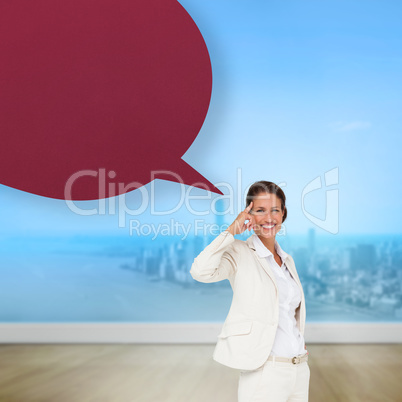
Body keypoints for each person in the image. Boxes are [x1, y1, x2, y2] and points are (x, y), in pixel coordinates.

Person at [190, 181, 310, 401]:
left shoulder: (287, 260)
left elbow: (287, 312)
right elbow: (200, 271)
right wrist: (231, 231)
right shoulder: (239, 252)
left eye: (275, 210)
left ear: (283, 214)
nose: (269, 218)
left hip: (300, 370)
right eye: (260, 211)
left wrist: (298, 345)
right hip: (264, 372)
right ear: (249, 215)